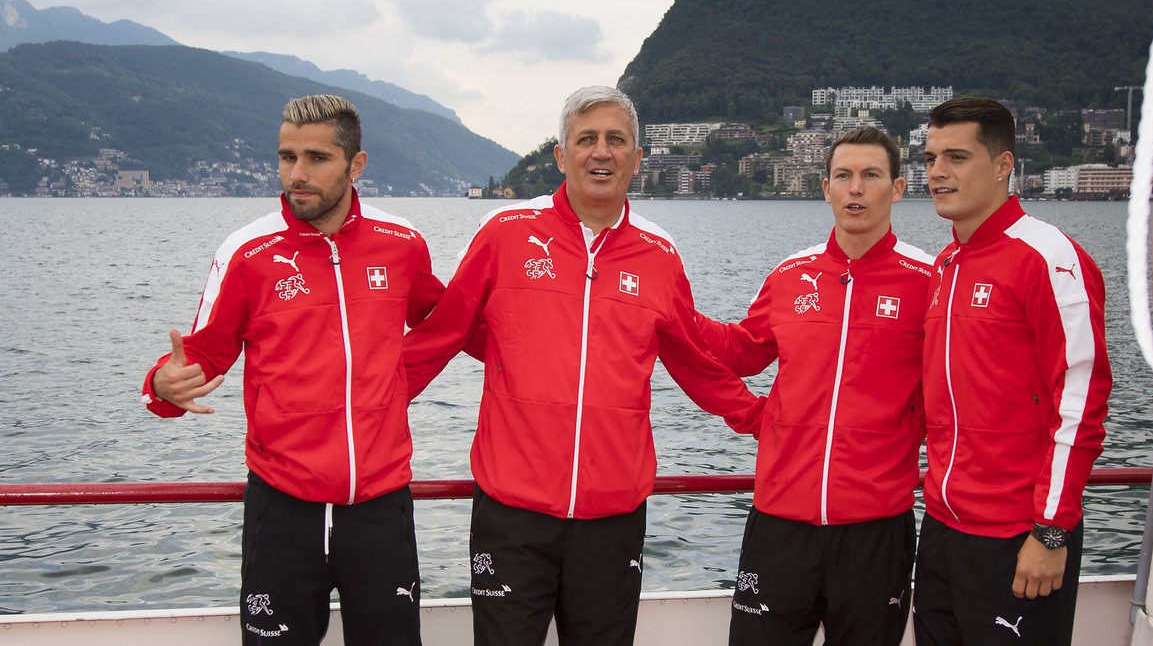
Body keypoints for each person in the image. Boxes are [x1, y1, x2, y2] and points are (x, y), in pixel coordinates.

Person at [402, 85, 765, 646]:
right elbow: (441, 334)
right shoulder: (505, 235)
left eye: (616, 140)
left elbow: (695, 362)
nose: (602, 152)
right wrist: (364, 402)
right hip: (512, 514)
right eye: (586, 139)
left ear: (637, 159)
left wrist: (764, 421)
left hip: (613, 516)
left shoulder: (658, 256)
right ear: (560, 154)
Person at [141, 94, 441, 646]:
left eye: (315, 158)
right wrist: (162, 386)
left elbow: (446, 324)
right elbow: (203, 351)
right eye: (286, 157)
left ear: (356, 165)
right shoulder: (247, 251)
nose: (296, 175)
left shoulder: (401, 243)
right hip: (282, 506)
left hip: (379, 506)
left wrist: (399, 382)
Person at [701, 126, 934, 645]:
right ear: (825, 188)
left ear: (897, 188)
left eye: (871, 176)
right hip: (780, 524)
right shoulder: (791, 275)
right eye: (843, 176)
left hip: (876, 528)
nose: (856, 189)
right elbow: (742, 350)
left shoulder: (930, 281)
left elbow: (953, 395)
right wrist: (675, 314)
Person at [915, 96, 1112, 646]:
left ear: (1004, 165)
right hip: (942, 529)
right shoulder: (946, 264)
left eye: (956, 157)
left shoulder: (1049, 259)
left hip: (1018, 535)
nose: (937, 173)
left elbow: (1081, 400)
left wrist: (1051, 531)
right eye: (930, 159)